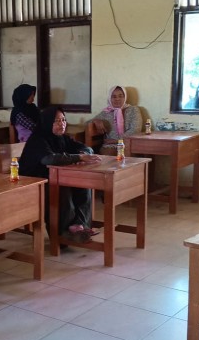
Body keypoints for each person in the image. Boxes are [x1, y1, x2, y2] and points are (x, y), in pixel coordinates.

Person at [19, 106, 101, 242]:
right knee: (62, 188)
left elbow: (86, 148)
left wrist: (84, 153)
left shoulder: (62, 138)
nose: (61, 124)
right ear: (47, 122)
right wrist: (78, 157)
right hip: (34, 183)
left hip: (54, 177)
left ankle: (79, 226)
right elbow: (49, 159)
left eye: (63, 120)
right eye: (56, 121)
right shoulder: (38, 139)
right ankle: (62, 232)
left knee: (84, 185)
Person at [86, 85, 141, 154]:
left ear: (125, 97)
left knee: (126, 154)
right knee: (107, 154)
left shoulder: (133, 110)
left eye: (120, 96)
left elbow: (136, 129)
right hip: (110, 145)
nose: (117, 99)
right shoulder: (106, 112)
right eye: (114, 97)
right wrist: (95, 121)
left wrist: (117, 140)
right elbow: (87, 123)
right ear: (110, 98)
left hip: (128, 143)